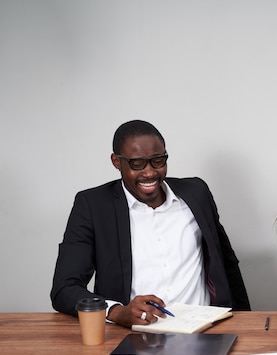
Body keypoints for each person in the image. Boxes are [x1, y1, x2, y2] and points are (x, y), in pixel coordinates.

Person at [51, 120, 250, 327]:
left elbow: (227, 263)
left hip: (206, 330)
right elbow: (64, 288)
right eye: (137, 164)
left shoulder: (196, 193)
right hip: (134, 334)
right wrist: (118, 312)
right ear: (116, 162)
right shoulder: (93, 206)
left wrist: (246, 324)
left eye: (158, 161)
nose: (150, 173)